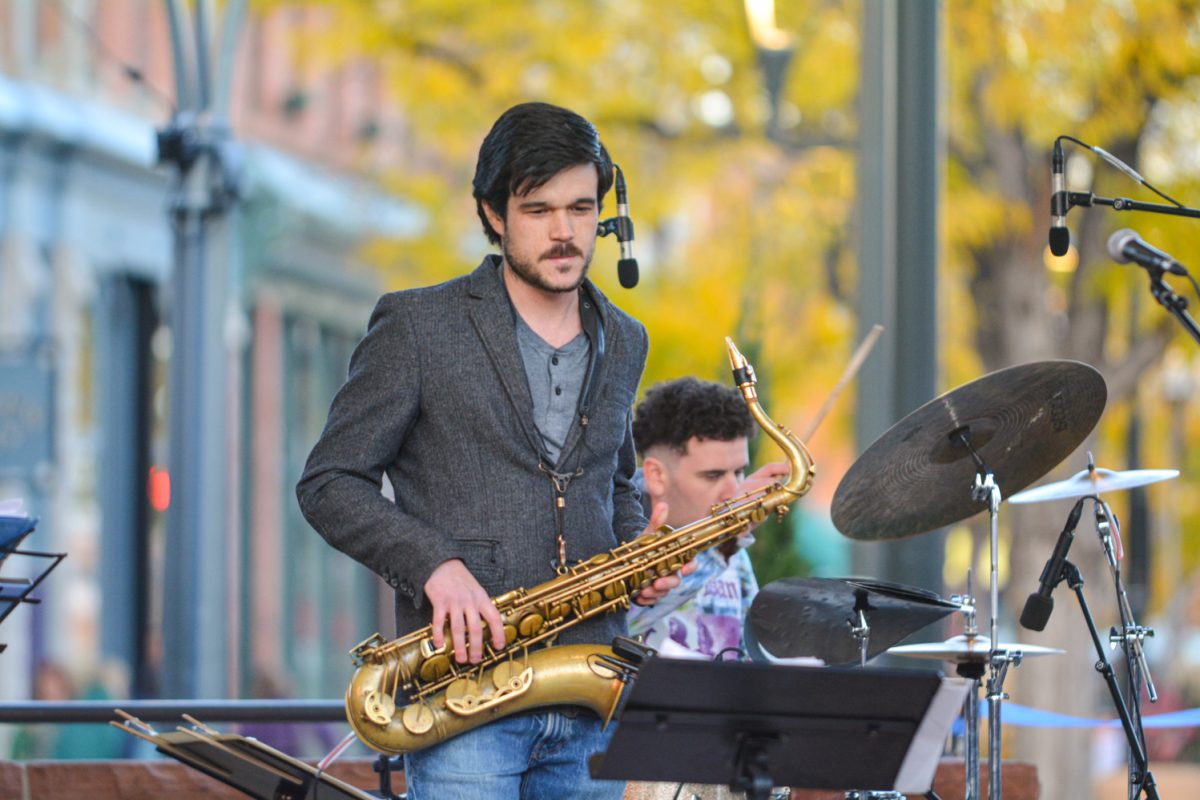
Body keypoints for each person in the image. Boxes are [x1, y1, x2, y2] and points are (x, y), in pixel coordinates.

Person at [296, 101, 683, 800]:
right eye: (538, 210)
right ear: (494, 214)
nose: (565, 232)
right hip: (466, 698)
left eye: (580, 207)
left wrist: (639, 553)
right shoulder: (418, 326)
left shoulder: (626, 338)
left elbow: (615, 482)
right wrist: (433, 566)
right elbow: (329, 482)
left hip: (593, 697)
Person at [626, 377, 789, 660]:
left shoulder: (732, 549)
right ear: (656, 475)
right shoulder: (614, 531)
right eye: (713, 475)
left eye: (738, 472)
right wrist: (722, 541)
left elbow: (748, 653)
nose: (733, 491)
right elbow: (622, 625)